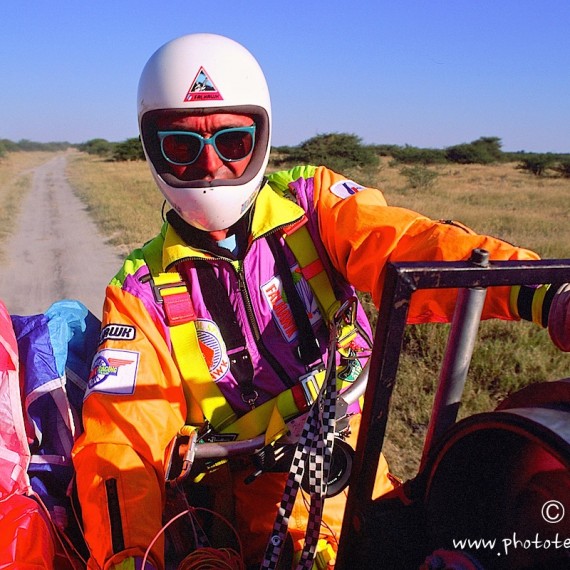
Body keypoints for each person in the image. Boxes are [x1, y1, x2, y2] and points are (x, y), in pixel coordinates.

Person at [71, 33, 570, 570]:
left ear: (260, 138)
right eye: (182, 146)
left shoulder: (311, 205)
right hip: (246, 513)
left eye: (233, 142)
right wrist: (127, 560)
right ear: (153, 148)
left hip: (355, 477)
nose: (211, 166)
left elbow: (411, 245)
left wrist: (544, 291)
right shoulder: (140, 287)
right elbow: (121, 440)